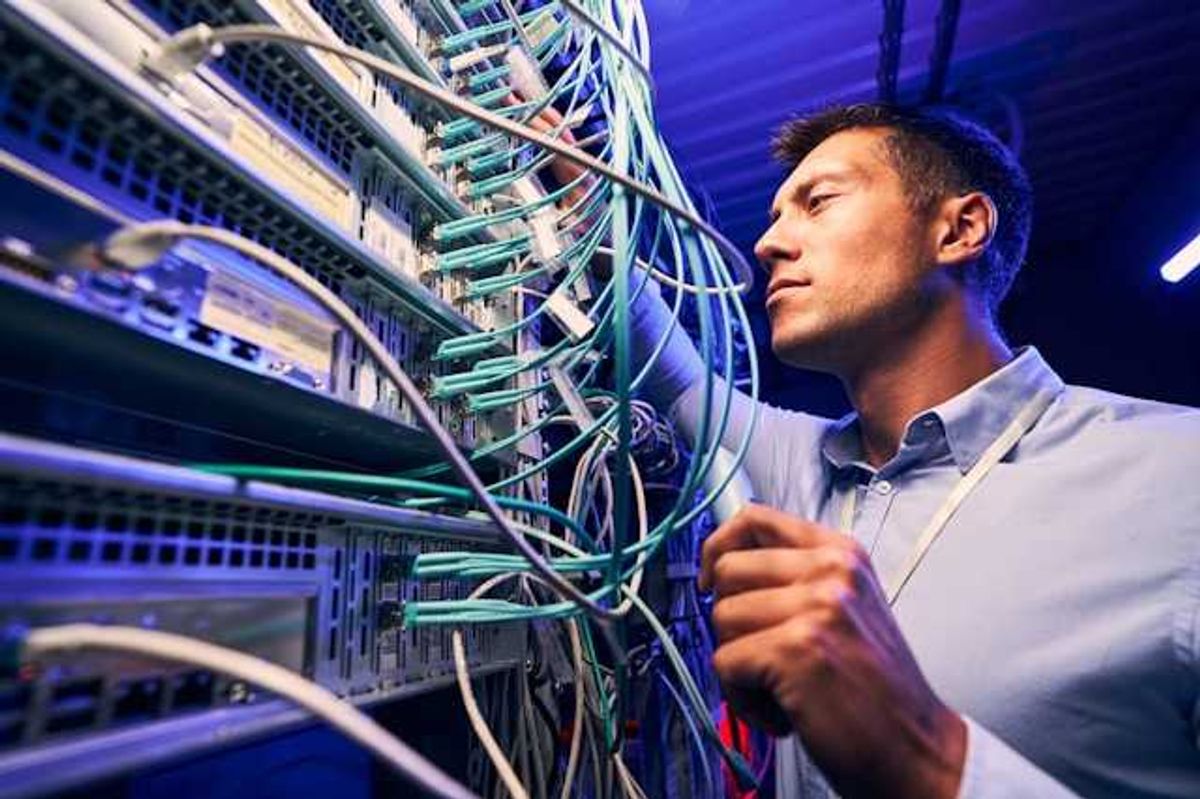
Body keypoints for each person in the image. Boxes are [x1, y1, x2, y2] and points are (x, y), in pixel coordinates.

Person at [627, 104, 1200, 797]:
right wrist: (573, 193)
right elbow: (674, 370)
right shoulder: (808, 466)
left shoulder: (1179, 477)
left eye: (818, 202)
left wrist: (928, 755)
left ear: (959, 228)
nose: (769, 243)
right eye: (777, 215)